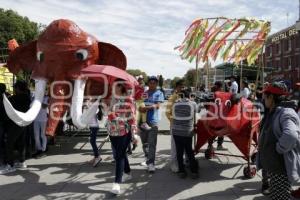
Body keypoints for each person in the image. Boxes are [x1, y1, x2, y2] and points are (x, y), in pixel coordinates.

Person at [257, 81, 300, 199]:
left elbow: (291, 135)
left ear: (271, 97)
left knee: (281, 196)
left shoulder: (286, 112)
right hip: (274, 166)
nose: (263, 99)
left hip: (280, 167)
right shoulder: (273, 111)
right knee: (276, 194)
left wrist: (278, 148)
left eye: (265, 96)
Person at [107, 79, 136, 195]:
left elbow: (132, 117)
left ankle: (117, 183)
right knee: (120, 154)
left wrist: (134, 133)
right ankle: (127, 173)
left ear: (121, 87)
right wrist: (109, 113)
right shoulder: (113, 99)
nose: (113, 88)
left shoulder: (128, 99)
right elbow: (109, 113)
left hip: (124, 131)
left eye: (115, 86)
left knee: (119, 156)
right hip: (113, 131)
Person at [0, 81, 31, 174]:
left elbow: (6, 108)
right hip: (22, 123)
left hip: (15, 123)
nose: (14, 89)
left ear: (18, 88)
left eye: (15, 87)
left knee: (9, 143)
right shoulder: (27, 98)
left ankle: (10, 165)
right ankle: (21, 162)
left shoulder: (15, 98)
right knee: (21, 142)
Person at [139, 76, 164, 173]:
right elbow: (139, 104)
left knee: (152, 143)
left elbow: (157, 105)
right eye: (151, 82)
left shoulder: (159, 93)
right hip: (142, 121)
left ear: (157, 84)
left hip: (153, 121)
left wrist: (148, 107)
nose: (152, 84)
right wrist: (139, 108)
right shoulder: (144, 93)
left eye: (154, 82)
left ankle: (151, 163)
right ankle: (147, 158)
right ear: (148, 83)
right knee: (145, 143)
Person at [172, 90, 199, 179]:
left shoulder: (175, 103)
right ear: (189, 96)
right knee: (189, 151)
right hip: (187, 131)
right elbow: (196, 112)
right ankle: (194, 171)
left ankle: (181, 171)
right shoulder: (193, 103)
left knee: (179, 152)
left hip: (176, 131)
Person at [165, 79, 184, 173]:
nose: (182, 88)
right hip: (175, 126)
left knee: (182, 146)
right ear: (176, 87)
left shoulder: (185, 97)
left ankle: (181, 162)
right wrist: (175, 121)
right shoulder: (172, 98)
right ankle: (173, 164)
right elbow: (167, 112)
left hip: (184, 126)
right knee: (174, 146)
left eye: (183, 87)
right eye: (180, 87)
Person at [207, 81, 227, 151]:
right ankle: (219, 145)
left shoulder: (211, 93)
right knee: (221, 130)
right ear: (220, 87)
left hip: (210, 115)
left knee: (212, 130)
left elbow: (206, 104)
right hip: (218, 115)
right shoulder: (220, 94)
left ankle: (210, 145)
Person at [85, 98, 102, 167]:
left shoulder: (95, 108)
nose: (89, 100)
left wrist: (87, 104)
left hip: (94, 126)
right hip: (92, 126)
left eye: (91, 99)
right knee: (92, 141)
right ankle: (96, 156)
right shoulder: (93, 107)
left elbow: (90, 112)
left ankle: (97, 156)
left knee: (92, 142)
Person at [32, 94, 49, 158]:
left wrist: (38, 101)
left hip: (43, 119)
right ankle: (39, 149)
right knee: (36, 135)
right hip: (36, 119)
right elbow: (31, 105)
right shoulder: (35, 97)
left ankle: (43, 150)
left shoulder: (46, 97)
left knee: (43, 135)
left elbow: (44, 106)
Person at [0, 83, 7, 166]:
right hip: (5, 121)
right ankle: (4, 158)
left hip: (2, 121)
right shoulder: (7, 97)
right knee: (3, 140)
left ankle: (4, 158)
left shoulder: (4, 98)